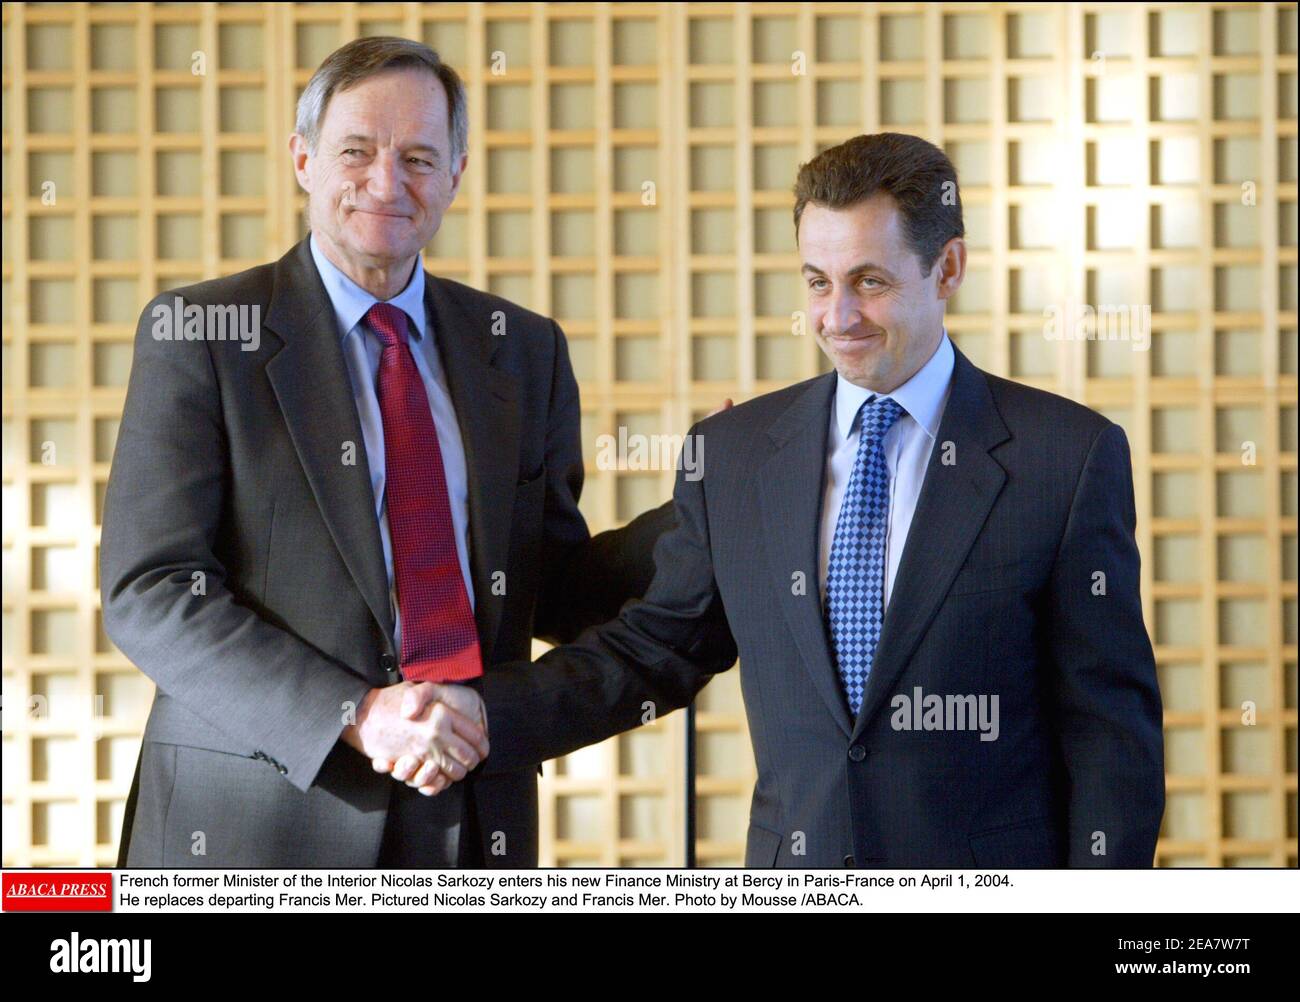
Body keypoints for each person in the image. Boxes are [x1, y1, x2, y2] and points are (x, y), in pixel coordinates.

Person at [384, 132, 1166, 868]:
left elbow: (1110, 734)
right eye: (818, 283)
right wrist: (484, 717)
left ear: (948, 268)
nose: (837, 318)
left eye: (871, 281)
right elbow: (653, 652)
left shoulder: (1066, 457)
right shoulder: (734, 456)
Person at [101, 36, 689, 867]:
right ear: (303, 158)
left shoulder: (521, 349)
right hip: (256, 824)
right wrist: (356, 711)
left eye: (419, 157)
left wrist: (707, 500)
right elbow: (150, 589)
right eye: (356, 152)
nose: (388, 182)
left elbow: (550, 588)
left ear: (456, 175)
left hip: (468, 813)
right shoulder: (200, 336)